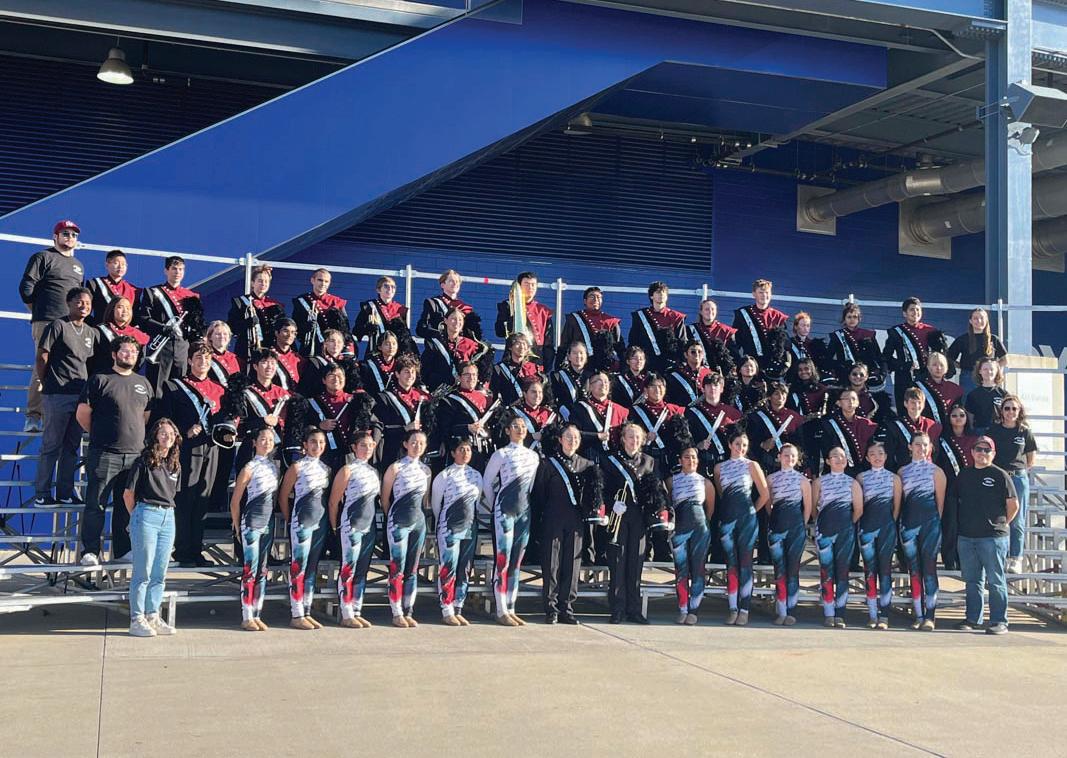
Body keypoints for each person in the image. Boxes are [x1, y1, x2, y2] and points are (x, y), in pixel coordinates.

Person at [76, 336, 154, 565]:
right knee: (96, 504)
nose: (129, 355)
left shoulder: (143, 383)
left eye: (134, 352)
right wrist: (102, 434)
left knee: (126, 505)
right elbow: (83, 414)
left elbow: (145, 416)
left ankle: (122, 551)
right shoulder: (99, 380)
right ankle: (90, 551)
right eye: (125, 351)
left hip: (135, 455)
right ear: (114, 354)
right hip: (105, 453)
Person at [155, 343, 227, 567]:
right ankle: (182, 551)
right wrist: (183, 432)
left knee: (202, 500)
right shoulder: (174, 386)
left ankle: (196, 550)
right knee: (186, 499)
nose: (203, 362)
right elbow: (165, 420)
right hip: (187, 449)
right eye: (198, 357)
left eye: (207, 358)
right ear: (189, 360)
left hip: (211, 448)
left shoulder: (219, 390)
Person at [34, 286, 99, 507]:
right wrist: (45, 382)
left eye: (88, 303)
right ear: (69, 303)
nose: (84, 306)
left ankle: (65, 492)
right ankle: (42, 493)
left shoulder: (90, 332)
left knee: (72, 446)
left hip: (79, 396)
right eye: (79, 302)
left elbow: (89, 363)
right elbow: (42, 356)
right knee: (51, 445)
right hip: (57, 393)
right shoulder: (58, 325)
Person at [18, 220, 86, 432]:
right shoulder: (43, 257)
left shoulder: (78, 265)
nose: (70, 237)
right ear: (55, 236)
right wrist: (39, 311)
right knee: (43, 365)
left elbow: (79, 296)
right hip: (46, 321)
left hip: (70, 324)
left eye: (73, 234)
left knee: (66, 367)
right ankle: (33, 416)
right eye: (65, 233)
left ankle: (54, 416)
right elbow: (26, 288)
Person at [535, 423, 600, 624]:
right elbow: (539, 495)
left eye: (576, 438)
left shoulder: (587, 465)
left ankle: (566, 607)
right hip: (553, 518)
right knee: (552, 564)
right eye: (569, 437)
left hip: (576, 520)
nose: (573, 441)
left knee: (572, 564)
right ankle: (551, 608)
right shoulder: (548, 464)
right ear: (560, 440)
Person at [124, 417, 182, 637]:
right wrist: (136, 518)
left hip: (168, 516)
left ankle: (152, 615)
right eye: (163, 433)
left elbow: (173, 494)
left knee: (159, 572)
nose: (168, 437)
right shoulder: (143, 461)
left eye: (171, 434)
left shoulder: (175, 464)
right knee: (143, 571)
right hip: (147, 512)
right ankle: (136, 618)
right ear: (156, 436)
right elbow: (128, 494)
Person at [954, 436, 1018, 635]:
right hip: (967, 537)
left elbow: (1013, 505)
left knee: (995, 580)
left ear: (993, 453)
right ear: (972, 452)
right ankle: (973, 618)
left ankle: (999, 621)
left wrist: (1001, 524)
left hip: (993, 537)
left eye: (986, 450)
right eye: (979, 449)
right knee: (972, 581)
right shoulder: (964, 474)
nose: (982, 453)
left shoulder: (1000, 475)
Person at [482, 414, 540, 625]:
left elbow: (530, 486)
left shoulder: (533, 456)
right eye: (515, 426)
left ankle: (511, 606)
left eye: (523, 426)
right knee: (503, 560)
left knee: (516, 562)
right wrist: (496, 505)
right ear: (507, 430)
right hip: (504, 512)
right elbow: (487, 483)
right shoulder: (501, 454)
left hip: (523, 512)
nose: (520, 429)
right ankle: (500, 609)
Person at [602, 422, 662, 624]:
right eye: (630, 436)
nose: (634, 440)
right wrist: (611, 504)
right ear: (623, 439)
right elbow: (602, 489)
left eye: (638, 437)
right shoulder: (610, 460)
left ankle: (634, 609)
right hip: (619, 516)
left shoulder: (649, 461)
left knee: (636, 564)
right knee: (618, 563)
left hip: (639, 516)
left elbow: (657, 490)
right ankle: (617, 609)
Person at [713, 431, 769, 625]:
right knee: (731, 564)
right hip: (727, 519)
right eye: (737, 444)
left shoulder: (752, 465)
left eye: (744, 445)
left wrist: (752, 511)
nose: (741, 448)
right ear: (730, 444)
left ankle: (744, 609)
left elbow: (764, 494)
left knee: (745, 563)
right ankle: (732, 608)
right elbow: (721, 493)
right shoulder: (719, 467)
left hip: (747, 520)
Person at [327, 429, 381, 629]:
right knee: (348, 569)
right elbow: (333, 502)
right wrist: (335, 526)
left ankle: (356, 609)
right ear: (354, 448)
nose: (367, 449)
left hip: (369, 526)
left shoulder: (374, 472)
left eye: (370, 445)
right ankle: (346, 612)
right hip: (351, 525)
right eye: (363, 445)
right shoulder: (347, 470)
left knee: (362, 569)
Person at [279, 428, 332, 630]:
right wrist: (290, 518)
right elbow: (283, 495)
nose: (317, 446)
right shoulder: (297, 467)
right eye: (313, 442)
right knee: (298, 568)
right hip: (301, 522)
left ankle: (306, 611)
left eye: (321, 442)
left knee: (311, 568)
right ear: (305, 445)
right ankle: (296, 614)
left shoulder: (326, 468)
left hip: (320, 523)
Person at [229, 426, 279, 632]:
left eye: (270, 439)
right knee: (250, 569)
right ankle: (247, 615)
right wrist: (236, 525)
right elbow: (235, 501)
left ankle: (257, 613)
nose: (267, 443)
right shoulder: (249, 468)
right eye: (263, 439)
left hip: (268, 523)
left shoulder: (273, 468)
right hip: (251, 522)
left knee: (263, 570)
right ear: (255, 442)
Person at [380, 429, 432, 627]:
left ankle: (408, 610)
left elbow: (425, 500)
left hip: (418, 522)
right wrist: (392, 517)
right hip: (398, 522)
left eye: (421, 443)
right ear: (405, 444)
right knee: (397, 568)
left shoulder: (426, 470)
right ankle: (396, 612)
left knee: (412, 569)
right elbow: (385, 498)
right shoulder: (395, 468)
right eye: (414, 442)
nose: (417, 446)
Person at [431, 436, 483, 626]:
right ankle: (446, 608)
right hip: (449, 527)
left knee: (465, 567)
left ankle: (458, 606)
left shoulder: (476, 475)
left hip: (469, 527)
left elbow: (477, 501)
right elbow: (436, 504)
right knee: (449, 567)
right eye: (461, 449)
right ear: (453, 453)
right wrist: (443, 524)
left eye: (468, 449)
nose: (465, 453)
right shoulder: (444, 475)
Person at [898, 432, 947, 631]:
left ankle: (930, 616)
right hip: (908, 525)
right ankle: (918, 615)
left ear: (931, 448)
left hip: (930, 525)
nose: (921, 448)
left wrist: (934, 525)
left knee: (929, 568)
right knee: (914, 570)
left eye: (925, 445)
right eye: (917, 444)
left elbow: (940, 504)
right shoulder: (902, 472)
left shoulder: (937, 472)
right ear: (910, 447)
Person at [136, 256, 203, 398]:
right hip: (161, 347)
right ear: (166, 271)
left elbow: (196, 325)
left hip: (183, 347)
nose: (177, 272)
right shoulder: (153, 292)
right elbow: (143, 319)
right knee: (157, 388)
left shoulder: (192, 296)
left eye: (181, 269)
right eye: (174, 269)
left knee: (180, 387)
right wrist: (163, 328)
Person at [985, 395, 1036, 574]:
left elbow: (1030, 459)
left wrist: (1017, 472)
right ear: (1001, 411)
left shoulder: (1025, 432)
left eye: (1014, 408)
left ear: (1019, 411)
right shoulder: (993, 431)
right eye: (1007, 408)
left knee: (1017, 519)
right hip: (1000, 477)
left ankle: (1016, 558)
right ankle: (1002, 555)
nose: (1010, 412)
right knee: (999, 517)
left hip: (1018, 478)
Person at [812, 447, 863, 628]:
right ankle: (828, 613)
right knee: (826, 571)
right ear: (827, 461)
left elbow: (858, 509)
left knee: (842, 572)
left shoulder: (852, 483)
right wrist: (822, 524)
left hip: (845, 532)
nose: (839, 459)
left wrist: (846, 525)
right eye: (834, 456)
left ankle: (840, 613)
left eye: (842, 456)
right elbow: (813, 508)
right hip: (824, 531)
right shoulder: (819, 482)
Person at [765, 443, 812, 625]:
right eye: (786, 455)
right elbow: (768, 504)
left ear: (797, 459)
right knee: (779, 569)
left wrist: (801, 524)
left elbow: (807, 507)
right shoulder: (771, 479)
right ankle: (781, 610)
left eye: (793, 456)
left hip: (796, 528)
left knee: (793, 570)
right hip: (777, 526)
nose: (789, 458)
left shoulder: (803, 480)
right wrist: (776, 520)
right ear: (779, 457)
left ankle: (791, 610)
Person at [668, 446, 715, 625]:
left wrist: (702, 523)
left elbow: (710, 509)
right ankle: (682, 608)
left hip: (700, 529)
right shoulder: (671, 481)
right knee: (681, 569)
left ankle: (694, 610)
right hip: (679, 528)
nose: (691, 460)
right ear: (680, 460)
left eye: (694, 457)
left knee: (698, 568)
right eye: (687, 457)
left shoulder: (705, 482)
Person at [856, 442, 901, 629]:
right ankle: (872, 614)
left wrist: (889, 523)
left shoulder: (894, 478)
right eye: (872, 454)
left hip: (886, 528)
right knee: (869, 570)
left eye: (880, 453)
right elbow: (858, 504)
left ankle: (884, 616)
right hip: (867, 528)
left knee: (885, 570)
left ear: (886, 456)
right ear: (867, 458)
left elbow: (896, 506)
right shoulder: (861, 478)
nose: (877, 457)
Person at [882, 297, 947, 411]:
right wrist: (904, 365)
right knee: (905, 410)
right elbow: (886, 357)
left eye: (918, 309)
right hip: (904, 378)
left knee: (927, 409)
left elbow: (940, 355)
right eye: (912, 309)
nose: (915, 312)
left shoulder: (931, 330)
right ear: (904, 313)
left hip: (927, 376)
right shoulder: (896, 332)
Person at [936, 403, 977, 571]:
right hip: (950, 487)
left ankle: (964, 558)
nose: (958, 418)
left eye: (961, 415)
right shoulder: (942, 440)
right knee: (950, 523)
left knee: (966, 524)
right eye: (954, 415)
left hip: (969, 488)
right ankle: (949, 558)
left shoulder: (974, 440)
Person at [236, 350, 291, 472]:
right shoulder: (244, 393)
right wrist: (262, 421)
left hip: (276, 451)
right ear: (255, 366)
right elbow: (240, 425)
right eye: (264, 362)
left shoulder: (283, 394)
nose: (269, 366)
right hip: (252, 448)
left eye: (273, 363)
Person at [373, 354, 431, 468]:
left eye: (413, 372)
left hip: (419, 452)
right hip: (395, 452)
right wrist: (404, 429)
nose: (410, 375)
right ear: (397, 374)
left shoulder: (423, 397)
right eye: (406, 372)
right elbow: (383, 430)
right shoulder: (385, 398)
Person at [435, 361, 495, 471]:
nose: (471, 378)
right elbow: (444, 430)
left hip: (485, 450)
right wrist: (467, 428)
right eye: (467, 374)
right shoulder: (449, 400)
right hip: (464, 452)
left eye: (474, 374)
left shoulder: (486, 398)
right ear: (459, 377)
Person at [227, 264, 287, 363]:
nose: (263, 284)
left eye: (266, 281)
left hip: (269, 350)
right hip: (248, 350)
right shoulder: (241, 302)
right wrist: (246, 323)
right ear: (252, 283)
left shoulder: (275, 305)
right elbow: (232, 327)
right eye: (260, 281)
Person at [495, 271, 554, 368]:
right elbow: (499, 332)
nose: (530, 288)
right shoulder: (507, 306)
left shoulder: (543, 310)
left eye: (533, 285)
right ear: (519, 286)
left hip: (537, 359)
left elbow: (548, 341)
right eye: (526, 284)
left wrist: (547, 365)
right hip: (513, 358)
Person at [421, 307, 489, 392]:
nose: (457, 322)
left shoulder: (471, 344)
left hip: (463, 391)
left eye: (460, 319)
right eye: (453, 319)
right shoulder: (434, 343)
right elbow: (426, 368)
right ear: (445, 320)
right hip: (439, 389)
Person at [556, 286, 623, 371]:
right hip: (581, 368)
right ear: (585, 301)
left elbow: (619, 348)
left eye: (598, 297)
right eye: (592, 296)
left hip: (605, 370)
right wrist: (558, 367)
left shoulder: (611, 322)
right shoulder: (574, 319)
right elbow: (564, 345)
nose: (595, 299)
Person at [686, 372, 742, 474]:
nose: (712, 388)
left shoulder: (733, 412)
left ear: (721, 389)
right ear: (703, 389)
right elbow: (688, 441)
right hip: (706, 464)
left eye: (716, 385)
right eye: (708, 385)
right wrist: (698, 445)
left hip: (732, 463)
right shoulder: (692, 413)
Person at [628, 281, 686, 374]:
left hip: (670, 366)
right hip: (646, 365)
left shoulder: (676, 317)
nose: (661, 294)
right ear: (651, 296)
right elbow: (633, 341)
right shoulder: (640, 316)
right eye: (658, 292)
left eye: (664, 292)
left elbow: (682, 342)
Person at [877, 387, 941, 472]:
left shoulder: (932, 425)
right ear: (905, 403)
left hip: (927, 472)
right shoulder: (894, 427)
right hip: (905, 473)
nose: (916, 406)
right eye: (913, 402)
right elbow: (890, 455)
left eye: (919, 402)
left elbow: (935, 452)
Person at [731, 278, 788, 373]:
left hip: (772, 368)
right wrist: (737, 363)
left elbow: (786, 345)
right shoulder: (743, 314)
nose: (764, 295)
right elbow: (735, 342)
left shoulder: (778, 316)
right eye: (761, 292)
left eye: (767, 292)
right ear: (754, 294)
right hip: (751, 366)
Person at [818, 389, 878, 478]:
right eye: (846, 399)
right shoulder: (830, 424)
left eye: (854, 399)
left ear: (858, 403)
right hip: (841, 471)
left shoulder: (866, 423)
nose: (850, 402)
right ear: (839, 403)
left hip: (865, 470)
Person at [293, 268, 353, 358]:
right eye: (320, 280)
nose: (323, 284)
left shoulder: (336, 301)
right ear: (312, 280)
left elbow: (345, 329)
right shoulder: (302, 300)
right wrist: (305, 327)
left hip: (333, 349)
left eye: (326, 281)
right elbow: (295, 326)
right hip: (311, 348)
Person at [747, 382, 805, 474]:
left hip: (791, 464)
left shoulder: (795, 417)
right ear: (769, 397)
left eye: (783, 393)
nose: (781, 397)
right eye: (776, 394)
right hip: (768, 465)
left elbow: (802, 442)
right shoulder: (757, 417)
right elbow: (750, 441)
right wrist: (762, 444)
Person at [946, 308, 1006, 394]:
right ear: (970, 321)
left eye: (982, 318)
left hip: (988, 377)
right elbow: (949, 358)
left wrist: (995, 370)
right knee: (968, 401)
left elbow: (1004, 359)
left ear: (986, 320)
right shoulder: (962, 339)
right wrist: (962, 365)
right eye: (975, 318)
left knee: (988, 400)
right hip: (968, 377)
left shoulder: (994, 339)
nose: (979, 321)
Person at [572, 371, 629, 462]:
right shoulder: (580, 408)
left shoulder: (621, 411)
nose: (603, 384)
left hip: (615, 460)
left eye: (606, 381)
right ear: (590, 386)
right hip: (590, 458)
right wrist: (597, 436)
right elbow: (575, 434)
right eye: (598, 381)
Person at [827, 302, 884, 388]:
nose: (852, 320)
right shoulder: (837, 336)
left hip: (864, 376)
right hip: (845, 377)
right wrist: (840, 366)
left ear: (859, 318)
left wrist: (882, 373)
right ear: (844, 319)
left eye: (855, 317)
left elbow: (879, 356)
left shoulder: (868, 334)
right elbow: (828, 358)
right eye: (849, 317)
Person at [416, 269, 482, 341]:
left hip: (460, 346)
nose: (455, 283)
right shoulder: (433, 303)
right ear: (442, 285)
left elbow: (475, 335)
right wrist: (439, 335)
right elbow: (421, 328)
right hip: (439, 345)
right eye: (451, 281)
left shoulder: (466, 308)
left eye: (457, 282)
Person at [91, 296, 149, 375]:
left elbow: (140, 362)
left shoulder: (138, 335)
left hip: (129, 377)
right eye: (120, 307)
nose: (125, 311)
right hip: (104, 376)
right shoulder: (99, 331)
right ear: (112, 310)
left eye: (128, 308)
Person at [85, 249, 137, 326]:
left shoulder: (133, 290)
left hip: (123, 332)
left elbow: (134, 317)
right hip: (101, 329)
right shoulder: (95, 284)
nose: (120, 267)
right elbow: (86, 311)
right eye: (116, 263)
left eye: (123, 264)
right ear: (107, 265)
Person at [912, 352, 963, 428]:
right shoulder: (918, 387)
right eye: (934, 365)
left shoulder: (955, 389)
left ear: (946, 368)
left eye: (941, 365)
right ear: (928, 367)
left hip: (949, 430)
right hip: (926, 429)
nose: (938, 368)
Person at [490, 333, 540, 407]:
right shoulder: (499, 368)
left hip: (529, 410)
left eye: (524, 343)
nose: (522, 347)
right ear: (510, 347)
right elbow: (494, 392)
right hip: (509, 410)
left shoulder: (534, 368)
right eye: (518, 343)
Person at [965, 357, 1007, 434]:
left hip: (999, 431)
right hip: (979, 432)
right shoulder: (973, 395)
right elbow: (970, 418)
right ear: (980, 371)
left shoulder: (1004, 394)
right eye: (985, 369)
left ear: (997, 371)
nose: (988, 372)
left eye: (992, 369)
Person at [688, 298, 737, 364]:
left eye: (713, 309)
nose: (710, 312)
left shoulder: (727, 331)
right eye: (707, 309)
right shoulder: (690, 330)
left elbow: (734, 356)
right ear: (701, 312)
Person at [786, 311, 829, 383]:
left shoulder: (815, 344)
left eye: (808, 325)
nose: (806, 328)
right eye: (803, 325)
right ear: (796, 327)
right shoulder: (789, 343)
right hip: (794, 379)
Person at [551, 341, 591, 419]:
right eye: (574, 353)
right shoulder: (558, 376)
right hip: (568, 418)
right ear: (569, 356)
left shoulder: (592, 377)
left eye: (581, 353)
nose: (578, 356)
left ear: (586, 356)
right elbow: (555, 401)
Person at [665, 340, 710, 407]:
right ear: (686, 355)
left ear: (703, 355)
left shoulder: (709, 374)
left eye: (699, 352)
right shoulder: (675, 375)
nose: (697, 354)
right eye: (693, 352)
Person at [269, 318, 308, 393]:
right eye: (285, 331)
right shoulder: (268, 356)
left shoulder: (299, 359)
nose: (289, 335)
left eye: (293, 332)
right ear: (276, 333)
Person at [360, 330, 400, 400]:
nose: (391, 347)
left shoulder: (400, 365)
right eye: (387, 344)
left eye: (394, 344)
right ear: (379, 347)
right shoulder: (369, 365)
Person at [204, 321, 241, 387]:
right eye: (218, 334)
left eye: (225, 334)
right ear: (210, 337)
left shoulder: (235, 358)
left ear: (229, 337)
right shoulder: (204, 357)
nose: (222, 336)